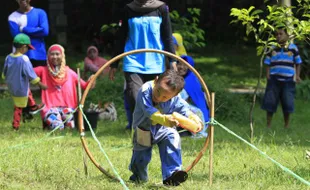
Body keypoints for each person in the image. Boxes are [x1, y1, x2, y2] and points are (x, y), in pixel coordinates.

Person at [109, 0, 177, 130]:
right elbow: (121, 36)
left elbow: (167, 36)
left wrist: (172, 60)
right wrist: (114, 63)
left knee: (156, 96)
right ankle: (143, 130)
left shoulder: (161, 9)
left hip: (155, 62)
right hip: (133, 60)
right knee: (136, 96)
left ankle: (155, 128)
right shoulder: (128, 9)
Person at [129, 70, 203, 186]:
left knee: (173, 137)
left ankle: (172, 175)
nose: (159, 97)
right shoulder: (145, 90)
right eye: (158, 91)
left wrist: (193, 117)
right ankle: (139, 178)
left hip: (162, 128)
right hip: (143, 129)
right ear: (156, 80)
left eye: (165, 97)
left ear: (173, 96)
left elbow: (184, 109)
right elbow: (149, 111)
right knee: (141, 158)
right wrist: (165, 119)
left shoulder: (176, 98)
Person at [34, 44, 94, 130]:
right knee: (58, 127)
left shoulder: (70, 72)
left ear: (62, 56)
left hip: (68, 108)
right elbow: (27, 72)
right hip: (50, 109)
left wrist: (92, 80)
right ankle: (50, 125)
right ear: (48, 56)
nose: (55, 57)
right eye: (52, 54)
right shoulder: (42, 70)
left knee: (72, 127)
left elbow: (85, 86)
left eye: (57, 54)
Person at [2, 33, 47, 130]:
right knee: (18, 106)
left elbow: (4, 72)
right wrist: (40, 84)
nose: (27, 51)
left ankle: (33, 106)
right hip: (20, 86)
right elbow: (30, 73)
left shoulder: (8, 57)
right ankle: (15, 125)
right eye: (27, 48)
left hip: (12, 85)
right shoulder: (24, 58)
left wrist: (6, 78)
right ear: (23, 47)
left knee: (27, 92)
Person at [261, 28, 302, 129]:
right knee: (270, 102)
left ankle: (286, 125)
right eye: (276, 34)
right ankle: (268, 125)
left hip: (288, 80)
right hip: (274, 79)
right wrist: (268, 74)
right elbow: (267, 62)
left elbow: (298, 63)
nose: (278, 36)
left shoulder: (293, 48)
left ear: (287, 35)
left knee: (287, 103)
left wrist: (297, 75)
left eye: (281, 34)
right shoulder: (272, 48)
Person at [8, 0, 49, 67]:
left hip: (40, 55)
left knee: (40, 77)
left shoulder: (40, 13)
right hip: (21, 56)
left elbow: (45, 32)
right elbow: (18, 38)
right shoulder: (12, 17)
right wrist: (37, 30)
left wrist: (23, 29)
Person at [177, 55, 209, 137]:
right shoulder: (175, 79)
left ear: (190, 67)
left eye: (184, 65)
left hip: (193, 113)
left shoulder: (191, 81)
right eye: (179, 64)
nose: (181, 67)